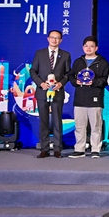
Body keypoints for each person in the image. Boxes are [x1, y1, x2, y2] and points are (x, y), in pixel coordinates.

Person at [30, 29, 72, 158]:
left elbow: (68, 73)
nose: (54, 40)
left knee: (57, 120)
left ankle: (58, 149)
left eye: (57, 38)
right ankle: (44, 149)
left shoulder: (65, 55)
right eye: (52, 37)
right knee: (43, 120)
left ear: (61, 40)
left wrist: (61, 84)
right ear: (48, 39)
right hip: (42, 91)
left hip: (57, 92)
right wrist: (41, 83)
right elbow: (33, 71)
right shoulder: (39, 53)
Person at [67, 36, 109, 158]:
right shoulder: (78, 62)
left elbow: (106, 79)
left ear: (96, 48)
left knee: (96, 126)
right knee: (79, 126)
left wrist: (94, 82)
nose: (88, 48)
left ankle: (95, 149)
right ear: (83, 47)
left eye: (91, 46)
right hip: (80, 98)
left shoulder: (102, 62)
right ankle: (79, 149)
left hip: (95, 97)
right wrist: (75, 82)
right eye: (86, 46)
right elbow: (70, 75)